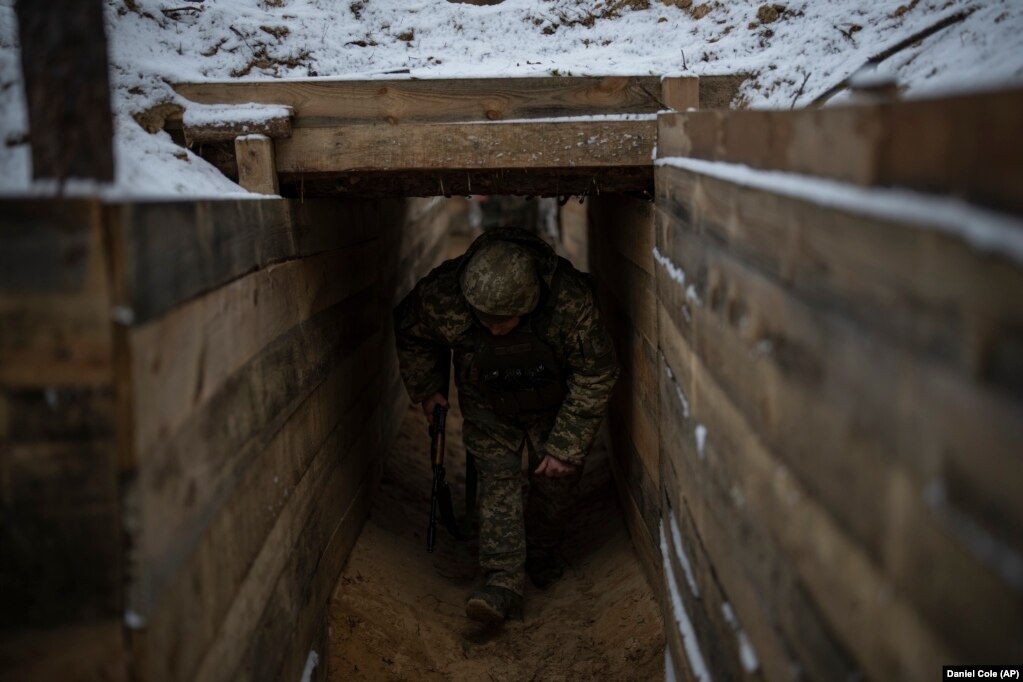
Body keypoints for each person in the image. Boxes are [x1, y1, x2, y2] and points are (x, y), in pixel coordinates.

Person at [392, 226, 618, 625]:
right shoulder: (444, 296)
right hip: (486, 403)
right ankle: (502, 584)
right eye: (485, 321)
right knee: (498, 480)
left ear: (529, 305)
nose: (492, 329)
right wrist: (427, 389)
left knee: (555, 480)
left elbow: (597, 371)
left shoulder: (569, 302)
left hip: (554, 404)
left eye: (503, 321)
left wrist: (567, 444)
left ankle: (542, 551)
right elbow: (410, 328)